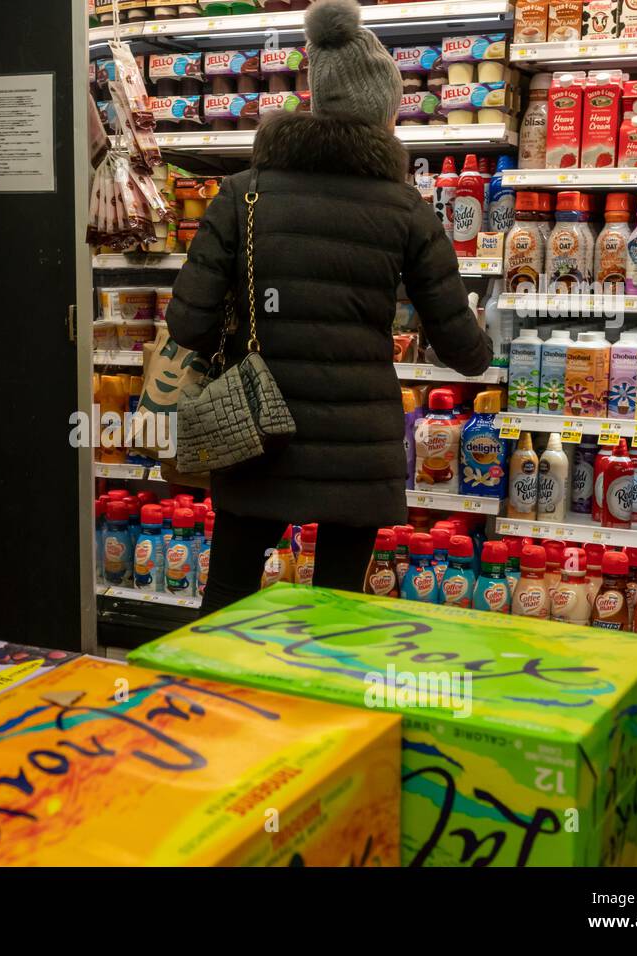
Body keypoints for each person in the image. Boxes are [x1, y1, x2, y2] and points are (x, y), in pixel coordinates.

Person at [166, 0, 492, 613]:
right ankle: (325, 708)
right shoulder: (405, 209)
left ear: (316, 99)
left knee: (228, 598)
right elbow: (464, 351)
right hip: (357, 453)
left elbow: (186, 322)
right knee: (339, 614)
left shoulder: (242, 195)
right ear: (381, 113)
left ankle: (216, 703)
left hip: (252, 437)